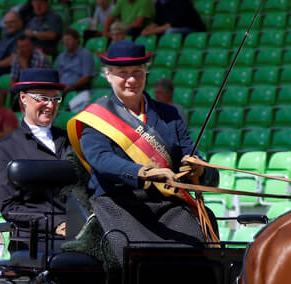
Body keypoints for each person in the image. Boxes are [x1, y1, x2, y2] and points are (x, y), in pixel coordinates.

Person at [63, 42, 219, 266]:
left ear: (146, 72)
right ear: (108, 75)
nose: (132, 80)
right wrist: (144, 172)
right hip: (119, 204)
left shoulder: (169, 114)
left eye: (138, 72)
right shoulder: (96, 117)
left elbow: (189, 151)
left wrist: (197, 166)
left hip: (168, 204)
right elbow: (101, 159)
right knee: (143, 260)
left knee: (198, 252)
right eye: (123, 74)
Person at [0, 68, 72, 252]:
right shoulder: (5, 148)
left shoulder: (70, 140)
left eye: (54, 99)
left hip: (76, 237)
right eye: (42, 98)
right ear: (23, 98)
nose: (50, 106)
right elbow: (8, 206)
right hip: (33, 244)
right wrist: (54, 223)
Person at [56, 28, 94, 112]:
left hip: (77, 90)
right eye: (64, 40)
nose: (66, 42)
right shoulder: (61, 56)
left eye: (68, 39)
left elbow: (86, 77)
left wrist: (70, 87)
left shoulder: (85, 54)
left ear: (77, 40)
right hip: (61, 90)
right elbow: (58, 74)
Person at [140, 0, 205, 37]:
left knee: (170, 31)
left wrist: (151, 31)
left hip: (193, 29)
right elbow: (157, 22)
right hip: (175, 27)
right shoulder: (160, 3)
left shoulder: (180, 2)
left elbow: (172, 25)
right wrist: (146, 30)